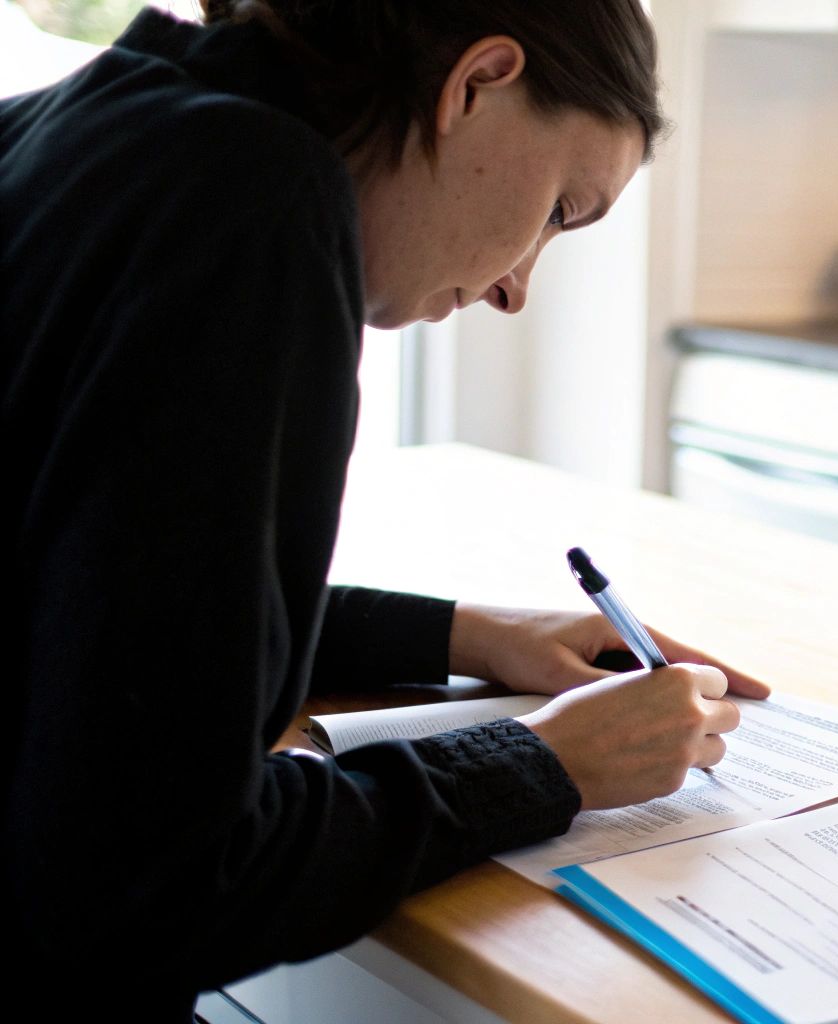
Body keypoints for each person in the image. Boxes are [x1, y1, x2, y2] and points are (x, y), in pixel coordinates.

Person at [0, 1, 769, 1018]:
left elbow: (95, 616)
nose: (516, 289)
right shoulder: (253, 199)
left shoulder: (59, 129)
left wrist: (455, 633)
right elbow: (155, 882)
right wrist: (544, 763)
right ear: (477, 82)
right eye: (557, 211)